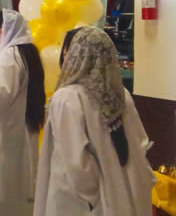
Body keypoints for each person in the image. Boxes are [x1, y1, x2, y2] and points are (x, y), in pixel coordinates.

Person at [34, 27, 155, 216]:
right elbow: (140, 143)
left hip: (80, 201)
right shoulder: (121, 94)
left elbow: (77, 164)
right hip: (125, 191)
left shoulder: (67, 98)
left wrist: (95, 198)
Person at [0, 9, 45, 213]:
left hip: (9, 125)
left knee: (8, 176)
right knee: (24, 169)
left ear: (6, 30)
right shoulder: (26, 51)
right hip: (23, 123)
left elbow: (1, 96)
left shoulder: (9, 57)